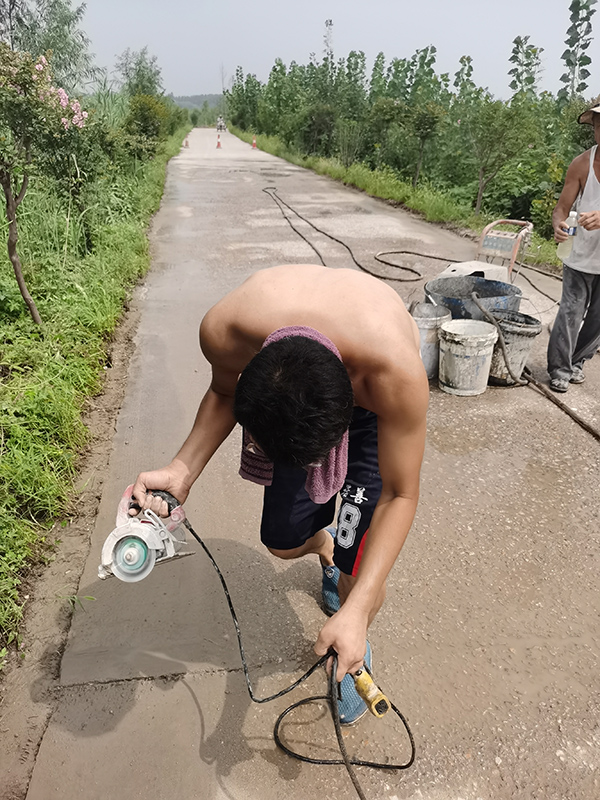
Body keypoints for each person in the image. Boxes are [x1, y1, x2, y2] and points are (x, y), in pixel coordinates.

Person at [131, 264, 428, 724]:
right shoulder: (226, 329)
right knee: (283, 541)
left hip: (371, 407)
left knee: (360, 566)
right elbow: (223, 390)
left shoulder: (393, 374)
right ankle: (326, 549)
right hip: (297, 392)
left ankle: (352, 644)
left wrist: (359, 608)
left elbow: (399, 494)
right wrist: (181, 470)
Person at [548, 97, 600, 393]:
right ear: (594, 128)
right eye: (599, 125)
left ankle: (578, 362)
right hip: (579, 257)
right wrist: (558, 224)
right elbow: (561, 208)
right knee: (570, 312)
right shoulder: (582, 164)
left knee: (597, 320)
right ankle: (559, 369)